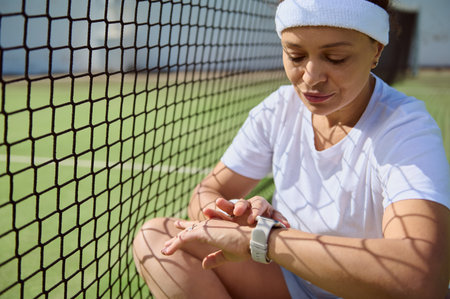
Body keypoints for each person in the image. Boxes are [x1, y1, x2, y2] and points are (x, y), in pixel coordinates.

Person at [133, 0, 450, 298]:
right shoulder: (277, 110)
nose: (311, 77)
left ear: (376, 51)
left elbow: (422, 277)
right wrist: (231, 216)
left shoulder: (405, 126)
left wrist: (264, 239)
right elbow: (209, 189)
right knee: (154, 238)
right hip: (290, 280)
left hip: (369, 290)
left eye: (335, 58)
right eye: (295, 55)